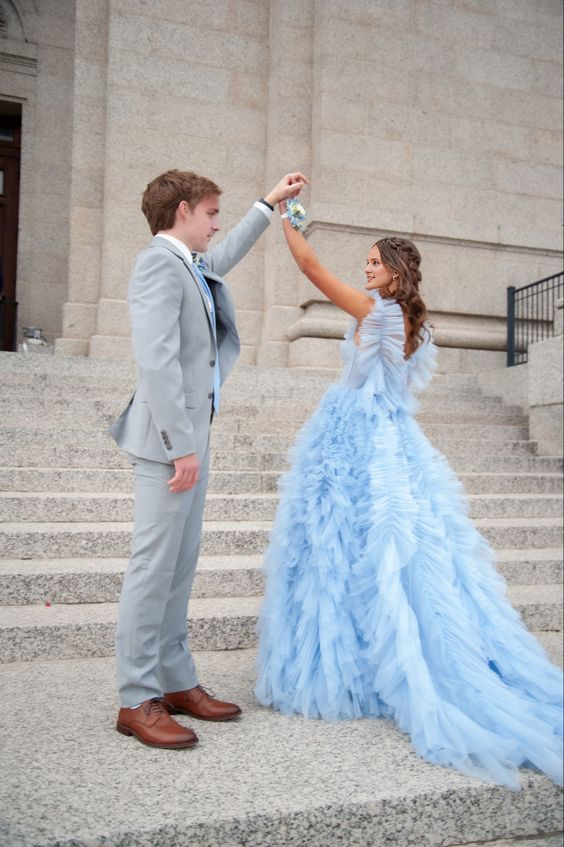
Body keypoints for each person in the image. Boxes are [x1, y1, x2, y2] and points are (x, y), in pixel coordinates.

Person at [255, 197, 563, 789]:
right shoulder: (408, 322)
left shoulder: (379, 312)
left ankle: (365, 670)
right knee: (357, 548)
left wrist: (285, 218)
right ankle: (367, 664)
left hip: (359, 438)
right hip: (377, 433)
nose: (365, 268)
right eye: (365, 262)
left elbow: (313, 274)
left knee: (355, 544)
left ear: (395, 272)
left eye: (373, 262)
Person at [110, 168, 307, 749]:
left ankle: (174, 682)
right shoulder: (156, 264)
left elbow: (224, 256)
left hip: (193, 439)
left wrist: (268, 206)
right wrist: (181, 448)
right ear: (184, 212)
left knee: (179, 567)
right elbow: (157, 362)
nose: (215, 224)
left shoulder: (189, 264)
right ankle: (134, 698)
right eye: (211, 214)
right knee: (152, 570)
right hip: (169, 446)